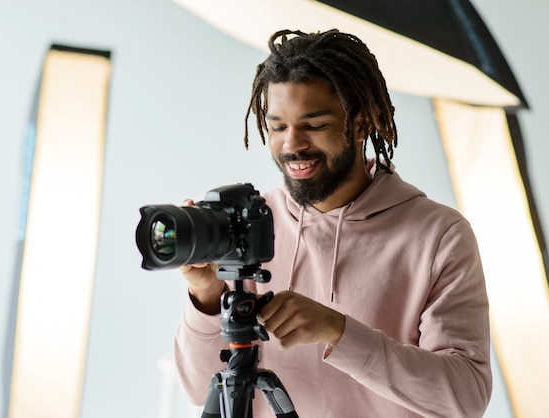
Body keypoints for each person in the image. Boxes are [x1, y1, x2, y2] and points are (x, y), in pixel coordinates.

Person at [174, 29, 492, 418]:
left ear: (361, 123)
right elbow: (197, 386)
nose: (292, 145)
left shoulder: (439, 235)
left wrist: (341, 332)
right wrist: (207, 294)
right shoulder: (250, 224)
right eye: (277, 126)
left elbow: (466, 397)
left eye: (315, 124)